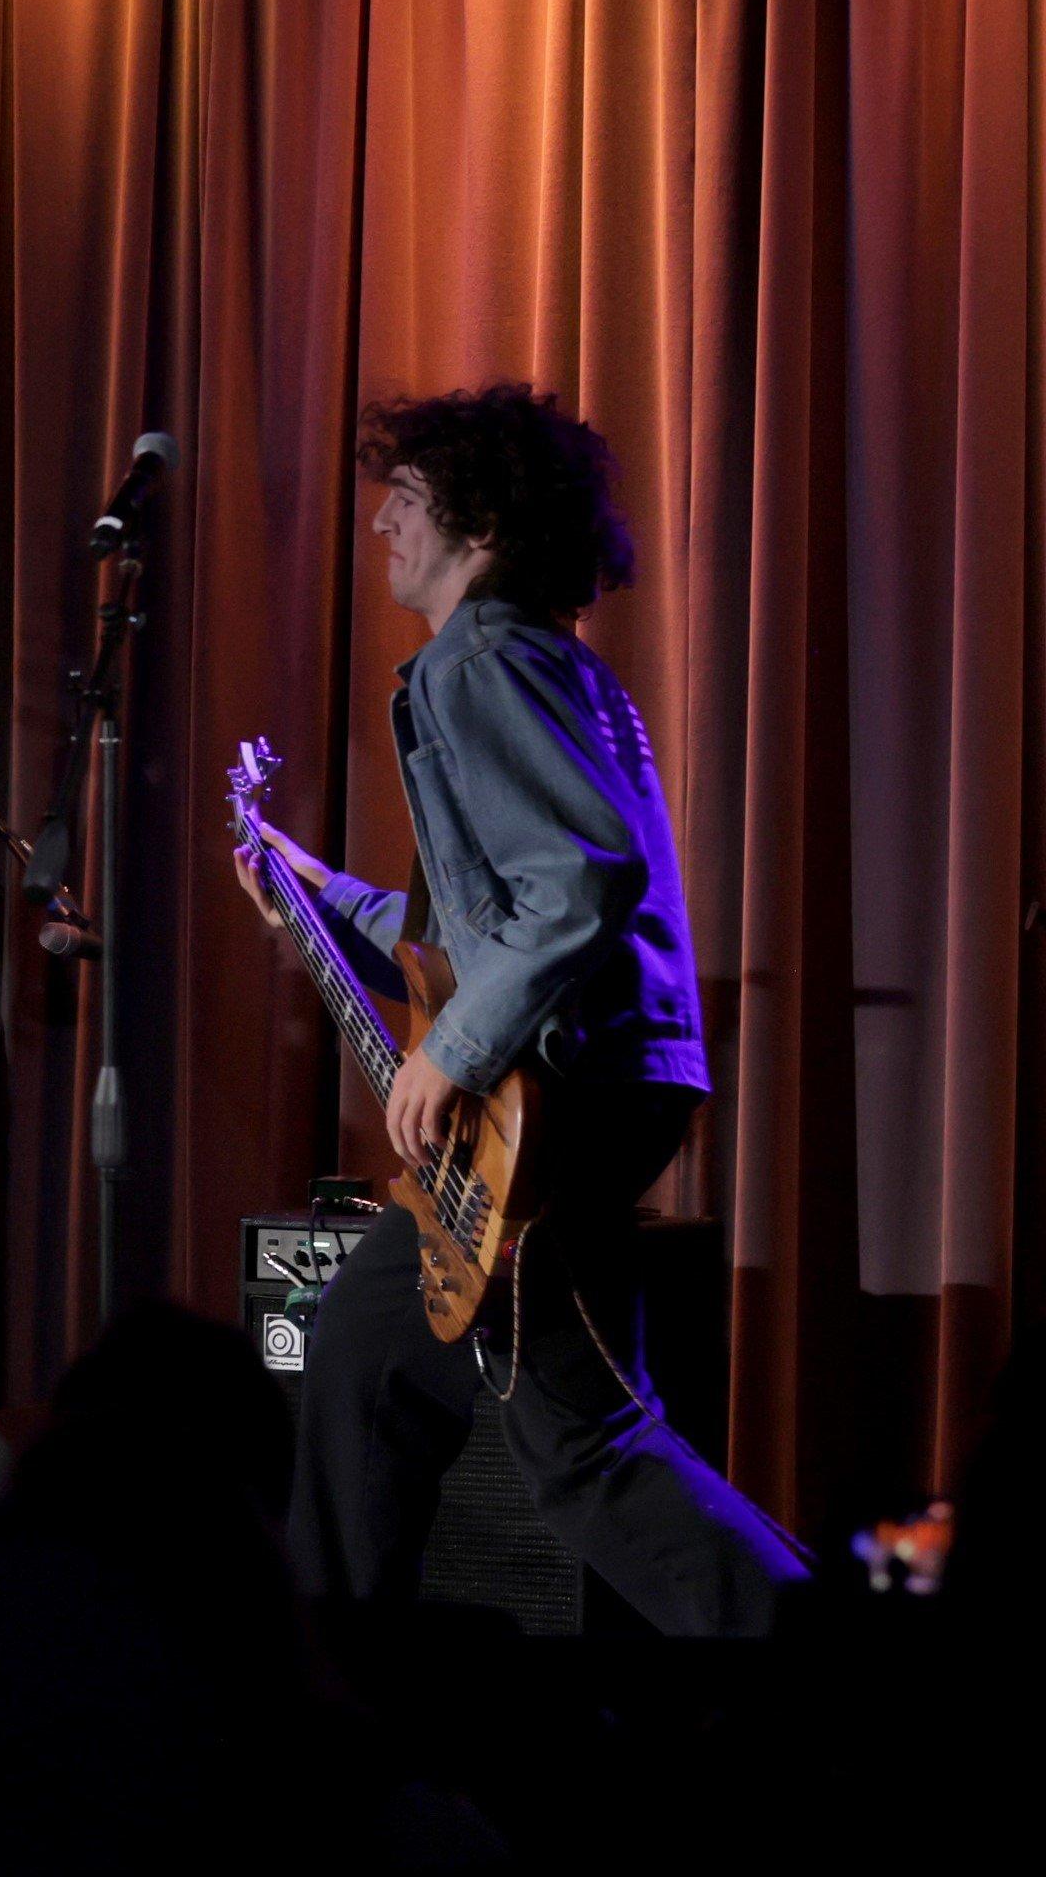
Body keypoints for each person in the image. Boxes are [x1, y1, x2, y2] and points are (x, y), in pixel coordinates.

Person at [233, 382, 807, 1635]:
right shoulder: (532, 663)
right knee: (365, 1364)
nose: (380, 520)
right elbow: (485, 928)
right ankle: (338, 1681)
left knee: (587, 1447)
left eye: (409, 500)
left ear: (481, 521)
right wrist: (321, 896)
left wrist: (462, 1051)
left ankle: (822, 1663)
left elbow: (584, 875)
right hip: (584, 1081)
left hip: (558, 1090)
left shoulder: (476, 658)